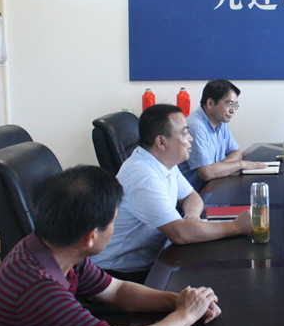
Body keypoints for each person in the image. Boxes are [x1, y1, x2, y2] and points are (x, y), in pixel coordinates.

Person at [0, 166, 221, 326]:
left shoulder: (54, 248)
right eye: (113, 222)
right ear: (91, 237)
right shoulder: (38, 289)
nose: (114, 228)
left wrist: (178, 301)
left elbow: (116, 290)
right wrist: (185, 315)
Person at [92, 104, 251, 281]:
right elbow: (180, 234)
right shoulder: (142, 175)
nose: (190, 138)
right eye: (184, 133)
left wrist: (191, 216)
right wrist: (237, 226)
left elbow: (191, 196)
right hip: (119, 273)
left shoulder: (163, 160)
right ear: (161, 142)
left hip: (156, 256)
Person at [179, 79, 266, 190]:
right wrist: (241, 164)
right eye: (229, 104)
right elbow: (206, 173)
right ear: (210, 103)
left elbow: (236, 152)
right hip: (195, 194)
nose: (232, 110)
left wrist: (219, 168)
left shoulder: (221, 122)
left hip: (213, 187)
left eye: (235, 105)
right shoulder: (195, 126)